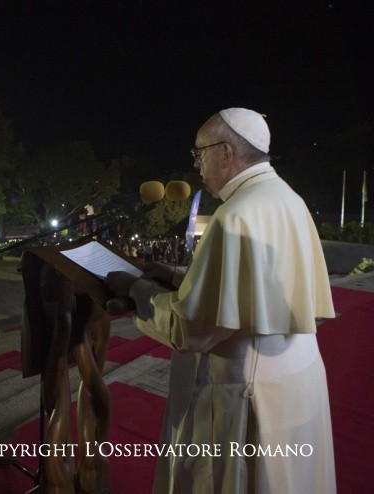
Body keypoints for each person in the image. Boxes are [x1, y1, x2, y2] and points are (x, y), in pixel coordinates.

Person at [105, 108, 336, 493]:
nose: (196, 163)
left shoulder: (235, 214)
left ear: (226, 152)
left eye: (200, 151)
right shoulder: (284, 197)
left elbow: (194, 329)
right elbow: (250, 288)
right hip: (297, 384)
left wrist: (135, 289)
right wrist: (177, 278)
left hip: (249, 396)